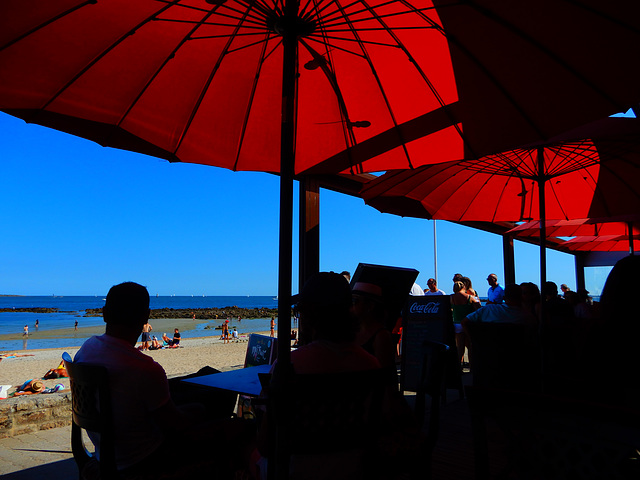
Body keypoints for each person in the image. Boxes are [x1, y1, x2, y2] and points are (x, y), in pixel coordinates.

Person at [73, 282, 244, 477]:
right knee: (235, 421)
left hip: (112, 449)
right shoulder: (144, 368)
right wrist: (198, 410)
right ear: (146, 316)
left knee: (205, 373)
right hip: (146, 459)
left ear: (104, 313)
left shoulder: (87, 349)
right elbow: (175, 426)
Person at [352, 281, 397, 383]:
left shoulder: (381, 336)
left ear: (370, 306)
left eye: (355, 301)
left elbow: (383, 374)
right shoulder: (354, 331)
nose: (351, 306)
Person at [463, 284, 536, 326]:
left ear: (504, 297)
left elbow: (465, 321)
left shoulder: (488, 310)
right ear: (521, 297)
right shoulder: (527, 316)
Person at [450, 281, 480, 365]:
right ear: (463, 287)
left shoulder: (451, 297)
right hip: (467, 323)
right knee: (470, 346)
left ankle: (459, 367)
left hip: (457, 323)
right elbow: (479, 308)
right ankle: (471, 366)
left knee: (460, 347)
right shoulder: (469, 297)